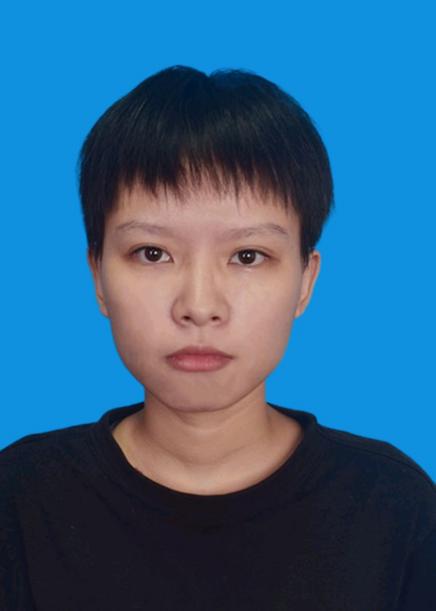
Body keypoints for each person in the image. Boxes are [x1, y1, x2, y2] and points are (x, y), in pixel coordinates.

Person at [1, 65, 434, 610]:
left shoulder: (395, 510)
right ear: (98, 277)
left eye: (248, 256)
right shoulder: (19, 500)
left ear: (305, 281)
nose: (200, 306)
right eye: (152, 253)